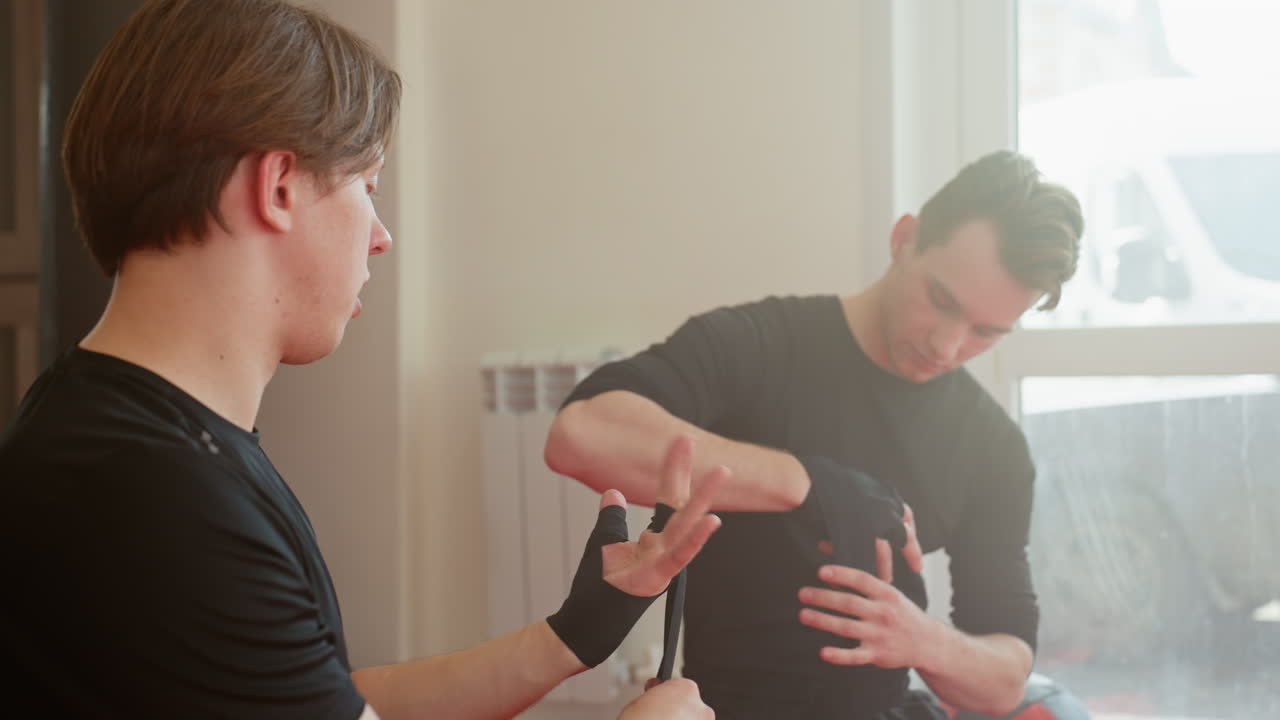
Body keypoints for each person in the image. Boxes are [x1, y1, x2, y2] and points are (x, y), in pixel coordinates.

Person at [0, 1, 723, 718]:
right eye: (367, 187)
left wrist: (574, 636)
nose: (381, 236)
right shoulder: (157, 499)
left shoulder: (125, 432)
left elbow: (324, 698)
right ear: (278, 186)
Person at [545, 149, 1085, 719]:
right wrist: (808, 484)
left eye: (986, 331)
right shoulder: (760, 345)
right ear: (904, 239)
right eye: (941, 301)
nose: (948, 347)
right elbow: (580, 434)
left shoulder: (991, 448)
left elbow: (1004, 681)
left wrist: (920, 639)